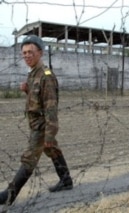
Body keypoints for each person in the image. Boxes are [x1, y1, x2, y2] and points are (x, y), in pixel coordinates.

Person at [0, 35, 73, 206]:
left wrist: (49, 134)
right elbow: (38, 99)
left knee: (29, 158)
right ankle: (66, 180)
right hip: (36, 123)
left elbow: (51, 107)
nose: (26, 56)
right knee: (52, 149)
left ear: (40, 52)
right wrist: (27, 90)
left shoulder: (46, 76)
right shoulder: (33, 73)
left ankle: (9, 195)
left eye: (30, 52)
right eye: (24, 53)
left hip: (42, 125)